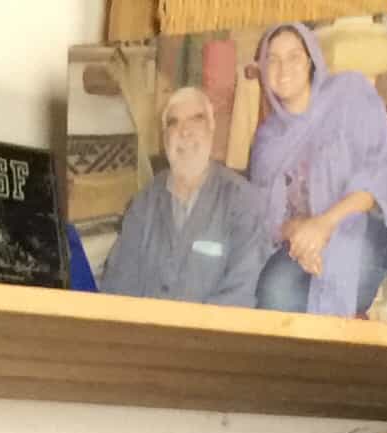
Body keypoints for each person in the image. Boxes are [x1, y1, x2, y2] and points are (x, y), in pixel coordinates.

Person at [242, 20, 387, 317]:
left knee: (356, 270)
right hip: (303, 242)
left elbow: (373, 175)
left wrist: (324, 225)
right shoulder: (266, 140)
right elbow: (265, 215)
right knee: (273, 292)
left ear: (311, 60)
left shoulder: (349, 94)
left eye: (293, 56)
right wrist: (301, 236)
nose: (283, 68)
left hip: (362, 226)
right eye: (272, 59)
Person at [98, 82, 277, 308]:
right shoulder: (143, 204)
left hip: (213, 339)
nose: (185, 131)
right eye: (174, 123)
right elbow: (118, 284)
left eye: (196, 119)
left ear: (212, 129)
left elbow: (240, 293)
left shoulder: (243, 202)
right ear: (165, 140)